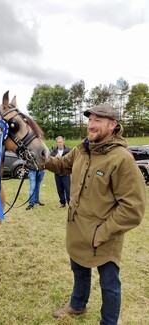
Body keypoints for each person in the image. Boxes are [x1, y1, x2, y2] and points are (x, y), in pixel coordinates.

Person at [45, 103, 146, 324]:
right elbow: (61, 165)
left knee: (109, 284)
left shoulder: (122, 159)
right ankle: (78, 304)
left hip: (103, 235)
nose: (91, 124)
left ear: (112, 125)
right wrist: (42, 157)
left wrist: (102, 232)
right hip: (77, 229)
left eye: (98, 120)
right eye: (90, 119)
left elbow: (133, 208)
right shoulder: (82, 149)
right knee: (78, 269)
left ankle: (109, 322)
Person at [50, 136, 71, 207]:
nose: (60, 144)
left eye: (61, 142)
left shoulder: (68, 150)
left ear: (63, 142)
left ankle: (70, 203)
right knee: (59, 189)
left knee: (68, 189)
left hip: (66, 173)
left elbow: (71, 161)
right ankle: (62, 202)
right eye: (58, 142)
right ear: (56, 143)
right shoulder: (53, 152)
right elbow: (50, 161)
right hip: (57, 173)